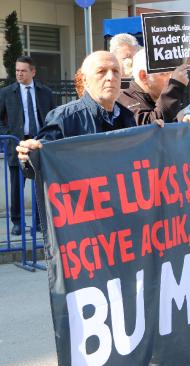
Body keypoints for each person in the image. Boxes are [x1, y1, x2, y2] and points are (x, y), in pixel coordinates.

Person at [16, 51, 136, 176]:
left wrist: (155, 131)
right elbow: (38, 162)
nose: (111, 77)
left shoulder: (127, 116)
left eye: (116, 71)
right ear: (85, 80)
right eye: (101, 71)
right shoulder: (64, 118)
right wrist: (29, 155)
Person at [0, 56, 55, 235]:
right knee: (17, 185)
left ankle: (40, 222)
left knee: (40, 184)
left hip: (40, 144)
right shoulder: (7, 92)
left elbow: (53, 116)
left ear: (33, 72)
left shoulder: (45, 92)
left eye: (23, 70)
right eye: (17, 70)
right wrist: (8, 134)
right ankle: (18, 222)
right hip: (17, 143)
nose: (19, 74)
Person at [118, 50, 190, 125]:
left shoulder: (160, 95)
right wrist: (175, 87)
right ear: (143, 76)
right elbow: (148, 125)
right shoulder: (124, 98)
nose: (171, 77)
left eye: (173, 72)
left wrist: (180, 121)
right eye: (164, 73)